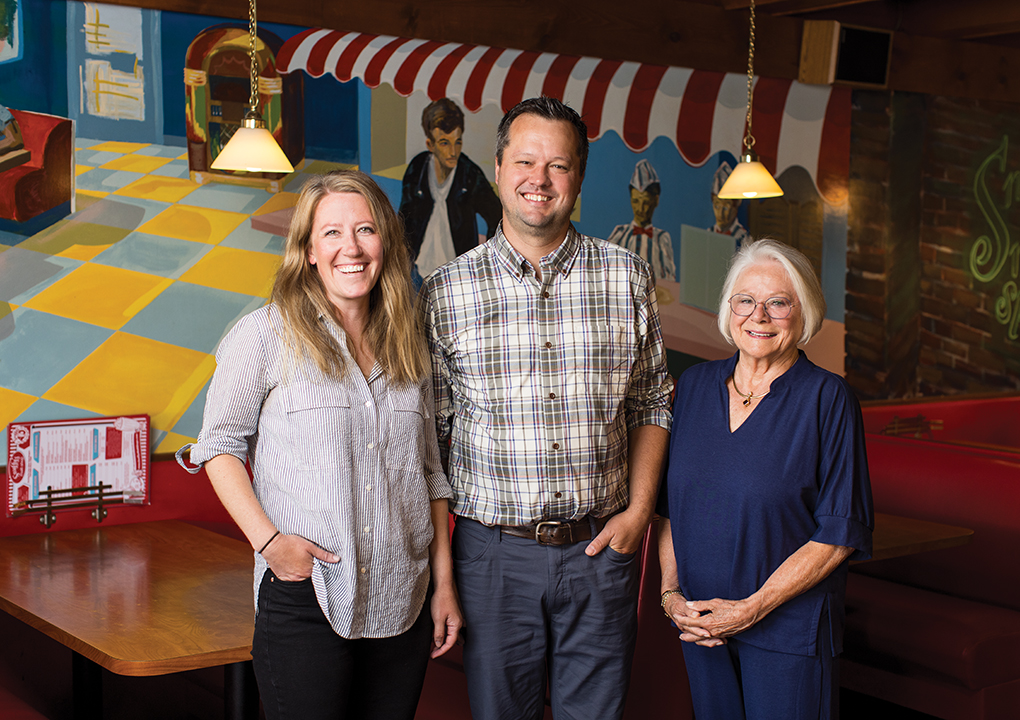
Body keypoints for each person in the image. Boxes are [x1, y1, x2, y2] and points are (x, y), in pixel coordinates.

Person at [419, 97, 674, 720]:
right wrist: (444, 578)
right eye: (526, 161)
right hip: (492, 558)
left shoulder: (627, 278)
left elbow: (652, 401)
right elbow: (430, 443)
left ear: (579, 178)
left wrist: (639, 514)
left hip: (602, 552)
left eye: (558, 165)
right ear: (500, 168)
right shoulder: (446, 292)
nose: (540, 179)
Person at [177, 170, 462, 720]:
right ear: (308, 249)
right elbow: (218, 447)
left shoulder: (410, 347)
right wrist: (270, 544)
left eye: (365, 230)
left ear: (387, 242)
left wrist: (443, 585)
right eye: (331, 233)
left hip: (403, 599)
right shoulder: (263, 336)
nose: (350, 249)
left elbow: (431, 473)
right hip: (308, 597)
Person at [657, 238, 873, 720]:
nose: (759, 316)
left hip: (788, 632)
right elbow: (671, 509)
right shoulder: (692, 387)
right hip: (701, 627)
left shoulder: (828, 399)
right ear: (728, 308)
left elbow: (837, 536)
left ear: (804, 313)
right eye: (746, 300)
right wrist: (672, 595)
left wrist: (750, 609)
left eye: (778, 303)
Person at [399, 97, 502, 281]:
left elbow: (497, 216)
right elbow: (403, 219)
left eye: (458, 142)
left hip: (457, 273)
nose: (453, 152)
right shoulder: (417, 169)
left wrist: (484, 261)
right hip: (417, 270)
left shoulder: (469, 174)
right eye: (445, 143)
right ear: (430, 144)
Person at [607, 157, 677, 280]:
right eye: (635, 201)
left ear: (655, 201)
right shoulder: (620, 233)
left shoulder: (661, 239)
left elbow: (669, 278)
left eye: (646, 202)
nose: (640, 209)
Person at [711, 160, 750, 244]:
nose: (720, 214)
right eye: (717, 206)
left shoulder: (743, 238)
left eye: (725, 208)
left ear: (737, 204)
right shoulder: (708, 233)